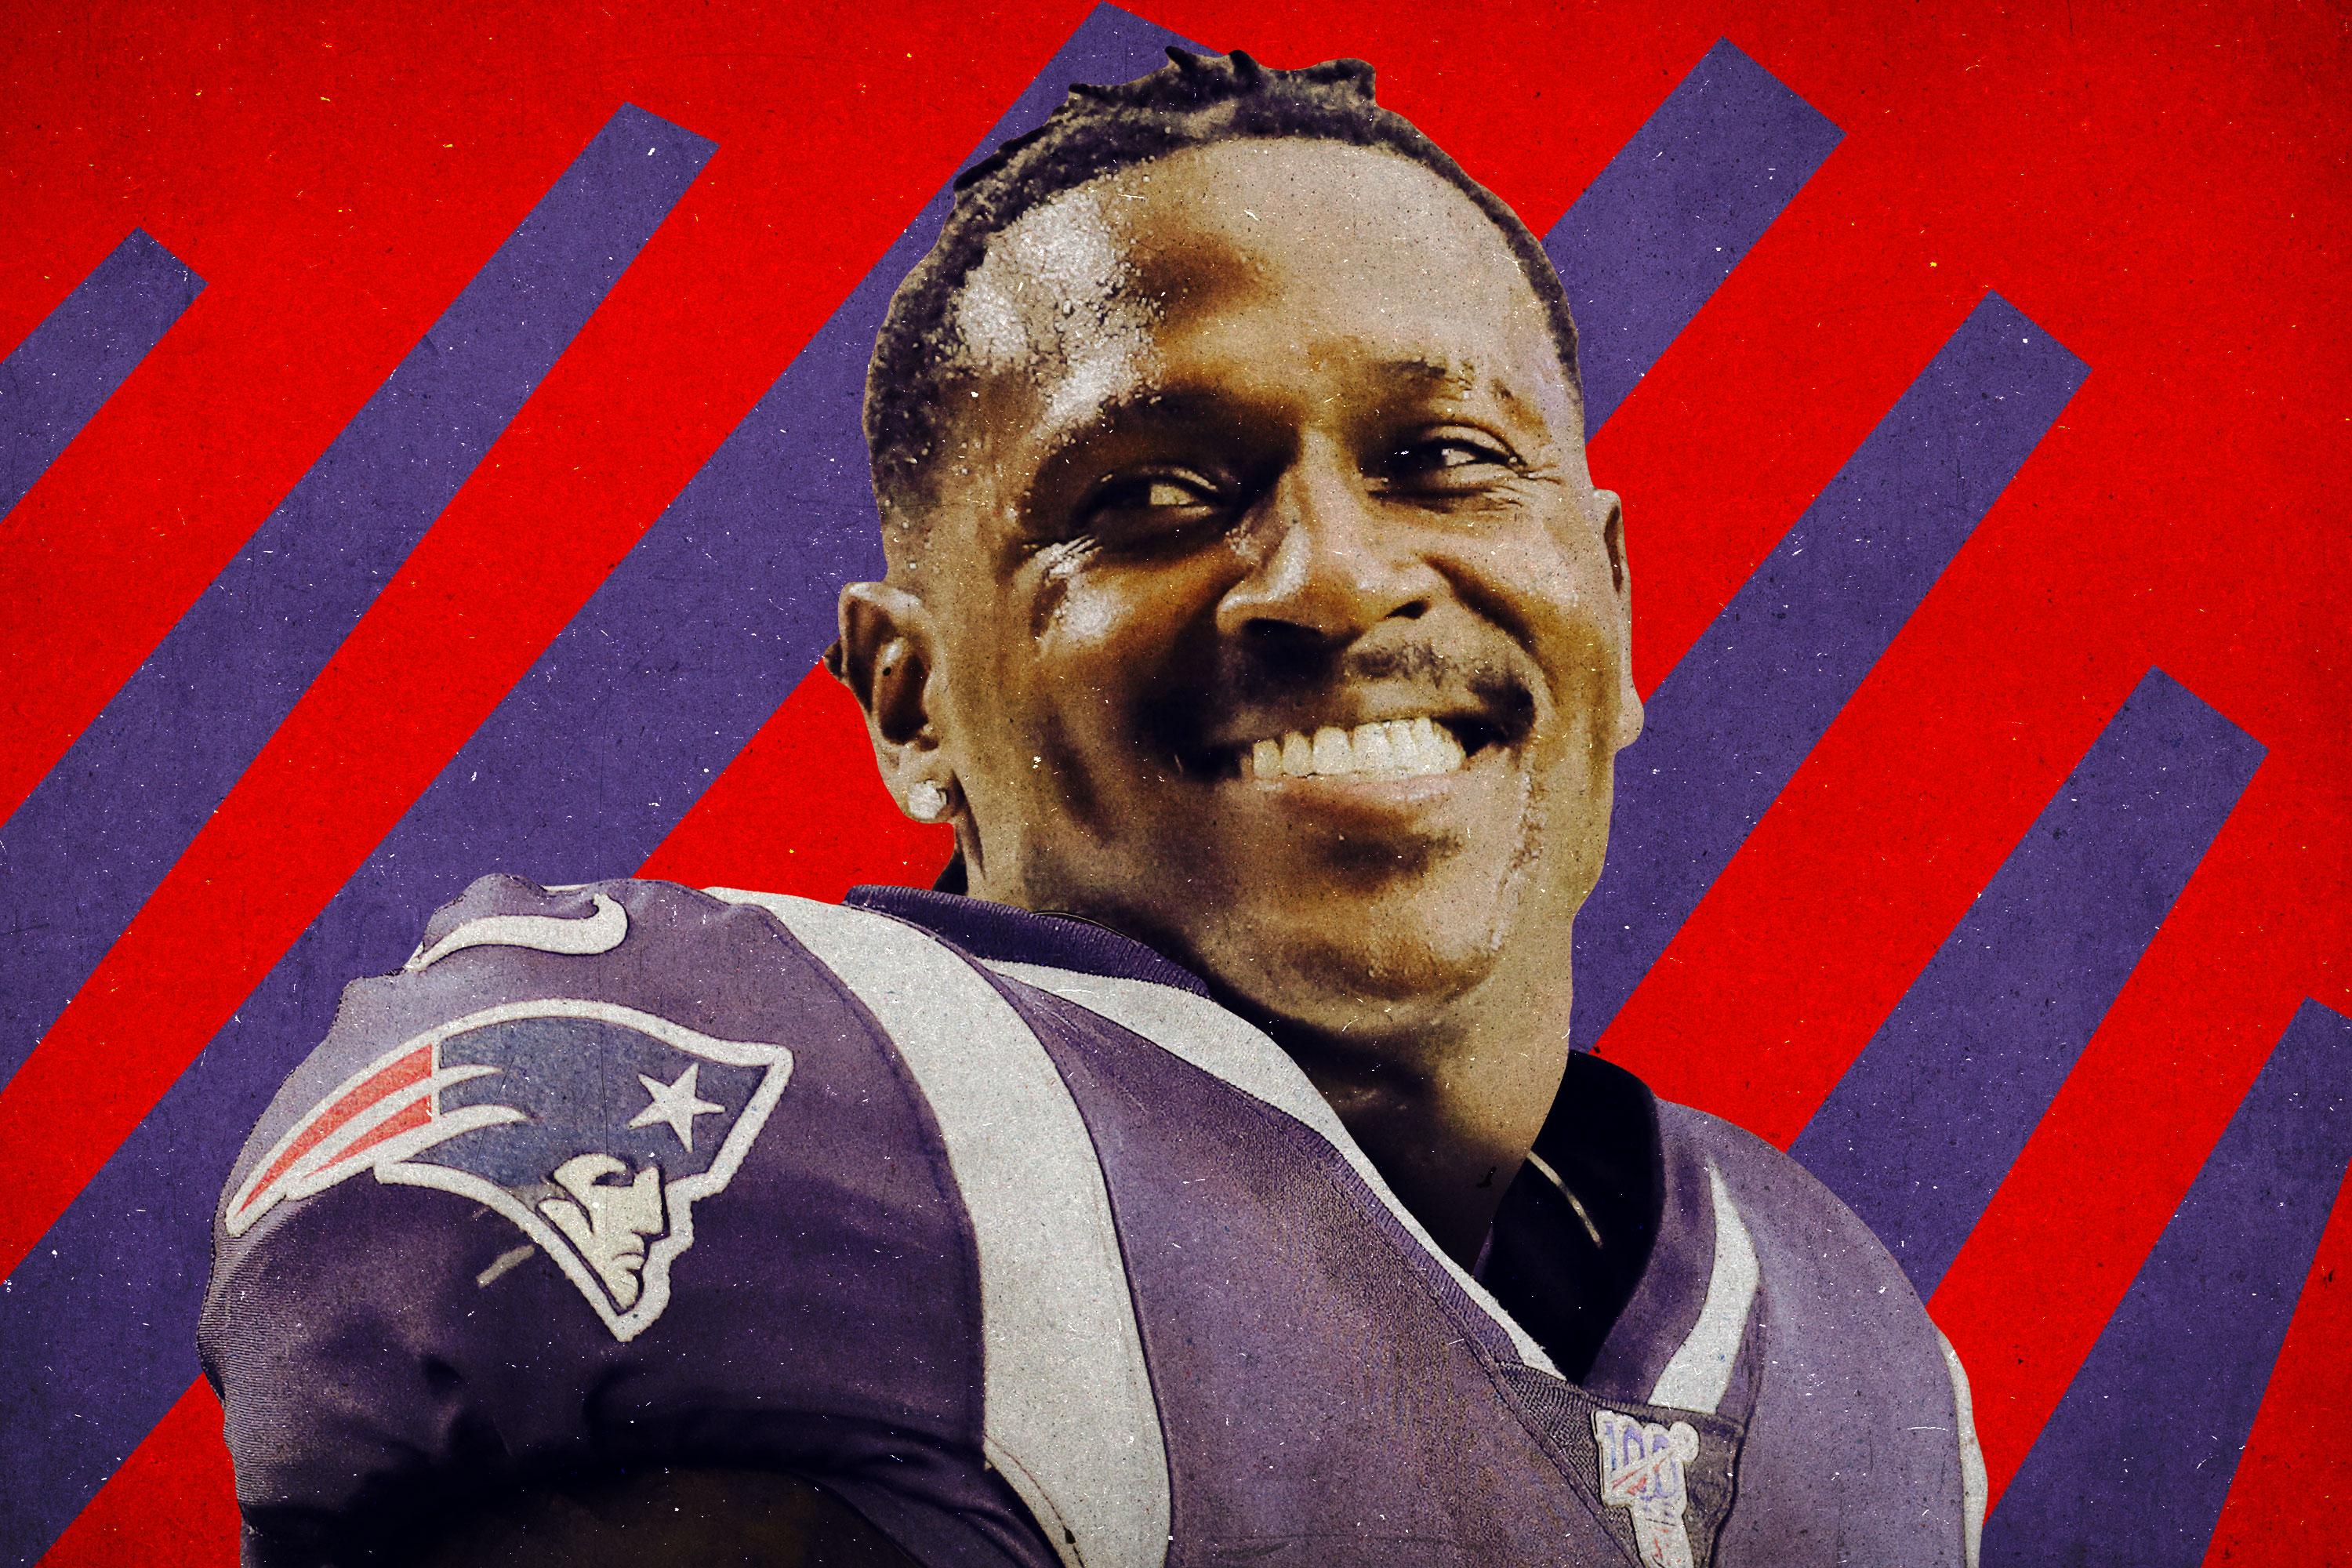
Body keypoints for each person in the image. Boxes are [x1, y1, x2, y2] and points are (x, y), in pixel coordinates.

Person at [202, 49, 1986, 1568]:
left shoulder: (1848, 1355)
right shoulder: (830, 1144)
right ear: (912, 702)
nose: (1336, 577)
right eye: (1153, 493)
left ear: (1614, 604)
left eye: (1442, 461)